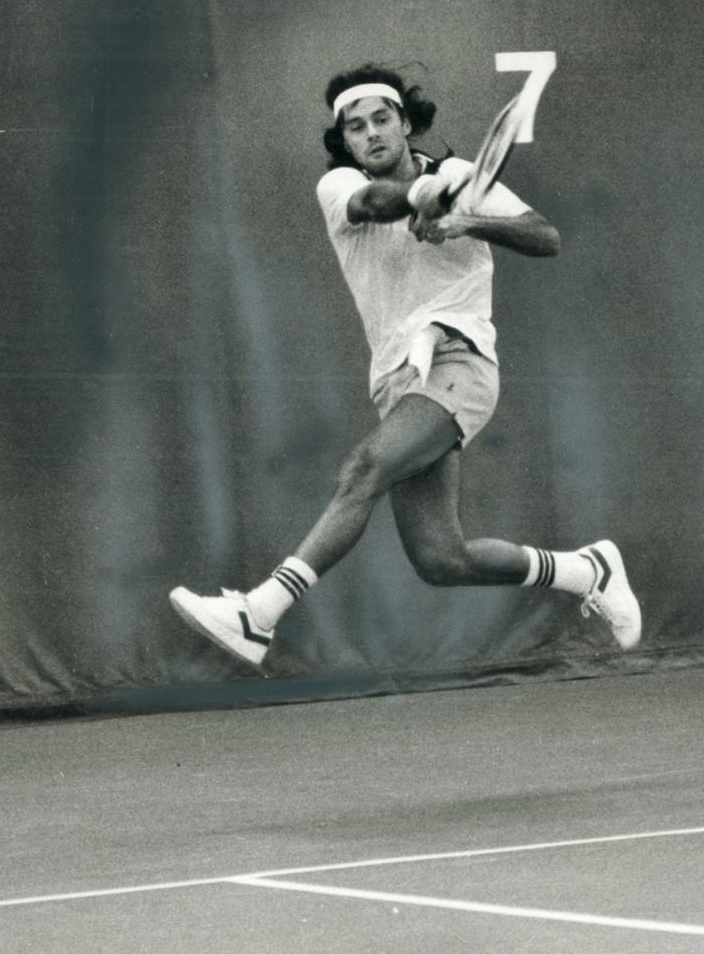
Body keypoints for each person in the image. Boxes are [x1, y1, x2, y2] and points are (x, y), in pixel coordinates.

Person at [168, 64, 639, 669]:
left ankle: (258, 615)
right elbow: (374, 201)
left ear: (406, 122)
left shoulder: (463, 178)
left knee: (363, 468)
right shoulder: (338, 187)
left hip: (458, 359)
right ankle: (586, 569)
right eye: (356, 127)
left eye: (382, 119)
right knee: (443, 559)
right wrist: (421, 196)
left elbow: (543, 235)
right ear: (347, 143)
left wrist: (467, 218)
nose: (370, 134)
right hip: (398, 379)